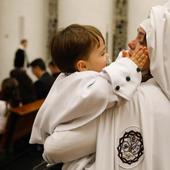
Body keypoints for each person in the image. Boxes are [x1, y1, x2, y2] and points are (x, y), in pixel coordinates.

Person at [43, 2, 170, 170]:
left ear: (159, 50)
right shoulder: (160, 95)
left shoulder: (131, 98)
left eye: (141, 39)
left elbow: (53, 149)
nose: (131, 43)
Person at [29, 24, 148, 165]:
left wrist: (122, 62)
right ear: (82, 66)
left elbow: (106, 80)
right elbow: (104, 92)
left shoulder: (73, 77)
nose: (107, 57)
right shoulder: (80, 83)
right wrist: (129, 67)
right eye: (103, 53)